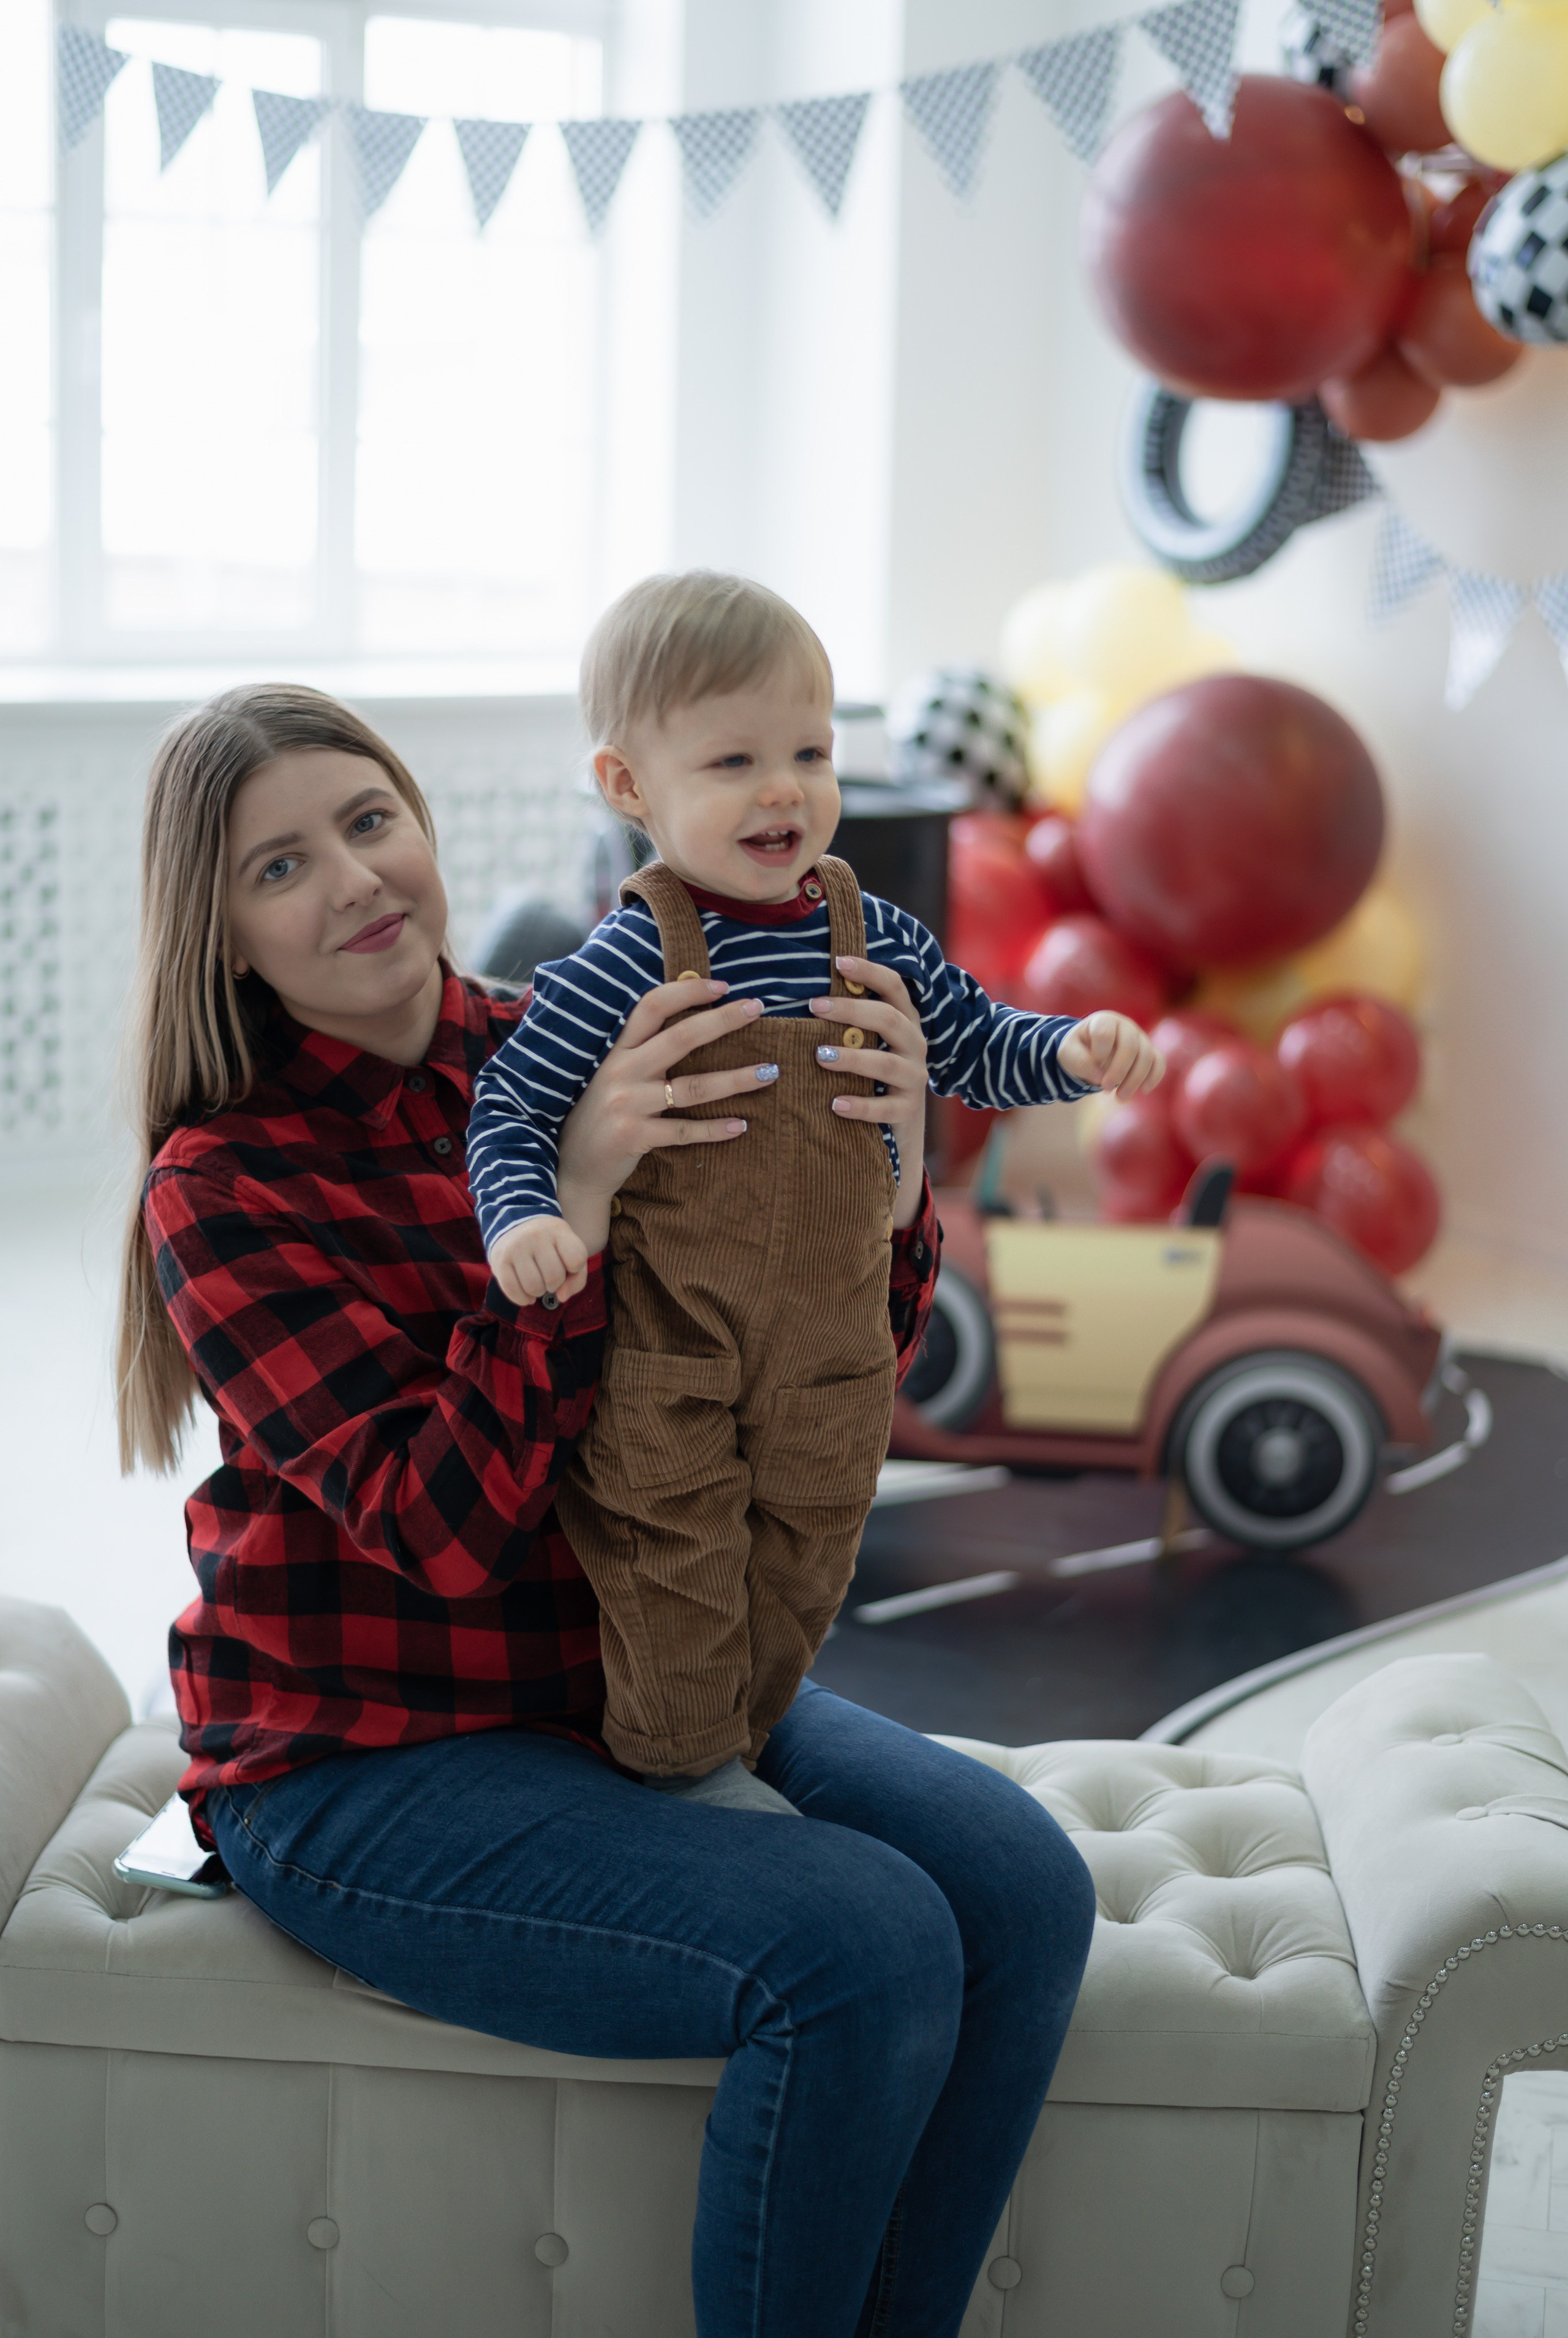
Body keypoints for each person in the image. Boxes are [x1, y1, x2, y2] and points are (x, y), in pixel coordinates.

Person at [115, 681, 1098, 2338]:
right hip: (366, 1756)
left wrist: (890, 1164)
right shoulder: (222, 1188)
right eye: (280, 867)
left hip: (629, 1664)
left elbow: (824, 1360)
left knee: (1020, 1890)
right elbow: (447, 1530)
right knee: (859, 1945)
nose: (355, 882)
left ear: (424, 829)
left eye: (370, 822)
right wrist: (567, 1207)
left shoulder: (587, 1027)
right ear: (223, 939)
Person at [467, 572, 1164, 1812]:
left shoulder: (873, 936)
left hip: (832, 1359)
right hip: (670, 1358)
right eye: (732, 760)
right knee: (669, 1568)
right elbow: (510, 1104)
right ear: (628, 787)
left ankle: (728, 1744)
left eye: (810, 750)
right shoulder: (627, 959)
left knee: (802, 1568)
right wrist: (522, 1211)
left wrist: (1066, 1051)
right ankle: (678, 1776)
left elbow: (969, 1039)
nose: (783, 788)